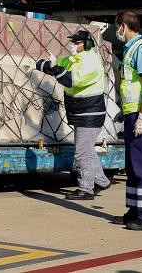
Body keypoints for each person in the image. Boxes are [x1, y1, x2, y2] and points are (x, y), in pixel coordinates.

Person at [36, 29, 111, 200]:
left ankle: (86, 188)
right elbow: (59, 65)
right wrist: (43, 64)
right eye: (73, 42)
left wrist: (55, 68)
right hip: (81, 112)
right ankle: (101, 181)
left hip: (89, 113)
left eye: (76, 43)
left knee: (82, 152)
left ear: (87, 45)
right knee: (87, 150)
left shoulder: (90, 62)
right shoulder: (75, 58)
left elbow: (70, 80)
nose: (72, 45)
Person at [109, 10, 142, 230]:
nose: (115, 31)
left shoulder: (141, 49)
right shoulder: (130, 50)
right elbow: (132, 86)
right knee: (132, 165)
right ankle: (134, 210)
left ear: (123, 26)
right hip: (132, 113)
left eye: (116, 26)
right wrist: (126, 110)